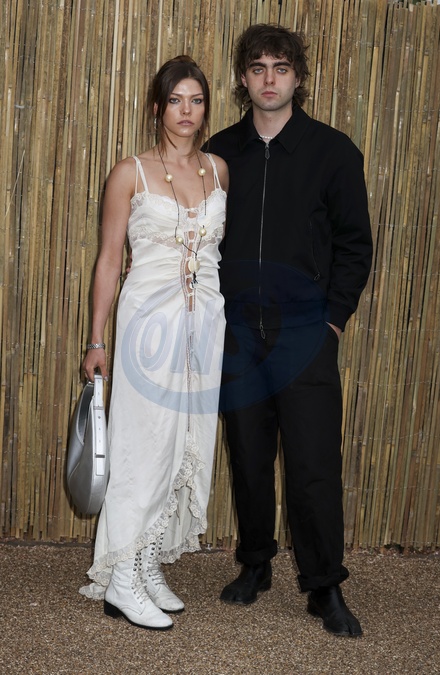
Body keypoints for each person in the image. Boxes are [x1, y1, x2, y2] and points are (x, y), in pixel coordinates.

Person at [206, 24, 372, 637]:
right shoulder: (221, 153)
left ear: (298, 76)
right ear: (243, 78)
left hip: (306, 334)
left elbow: (355, 244)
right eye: (258, 68)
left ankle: (324, 585)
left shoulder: (333, 152)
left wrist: (333, 318)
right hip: (238, 335)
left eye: (280, 67)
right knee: (249, 458)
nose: (269, 79)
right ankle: (255, 564)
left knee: (313, 464)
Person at [80, 55, 228, 630]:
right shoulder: (131, 173)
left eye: (196, 100)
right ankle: (121, 576)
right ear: (157, 107)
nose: (186, 110)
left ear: (206, 107)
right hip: (148, 327)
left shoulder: (219, 171)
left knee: (184, 442)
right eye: (175, 100)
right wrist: (96, 339)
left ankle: (145, 562)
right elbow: (109, 260)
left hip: (204, 326)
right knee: (141, 446)